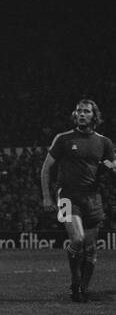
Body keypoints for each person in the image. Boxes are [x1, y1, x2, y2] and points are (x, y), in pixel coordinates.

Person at [40, 99, 115, 302]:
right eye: (79, 111)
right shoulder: (63, 139)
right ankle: (75, 281)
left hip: (93, 198)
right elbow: (47, 168)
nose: (82, 114)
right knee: (77, 239)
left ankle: (83, 288)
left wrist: (111, 166)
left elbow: (111, 166)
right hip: (67, 195)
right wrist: (47, 196)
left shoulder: (104, 142)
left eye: (86, 111)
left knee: (90, 249)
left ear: (94, 116)